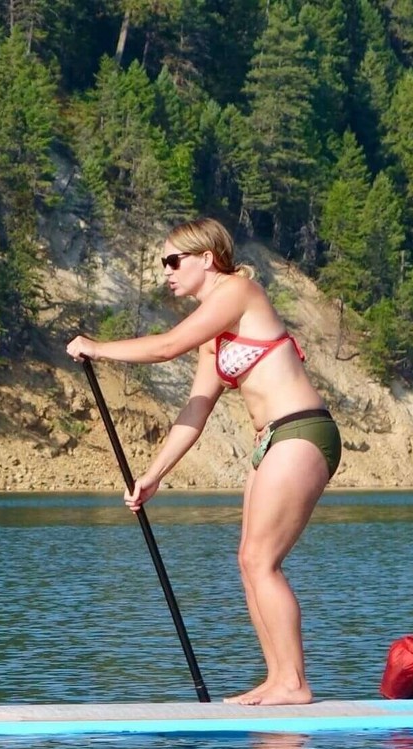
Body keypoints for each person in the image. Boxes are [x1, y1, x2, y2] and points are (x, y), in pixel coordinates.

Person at [67, 217, 340, 706]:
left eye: (173, 261)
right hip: (271, 440)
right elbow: (196, 410)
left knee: (262, 561)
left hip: (302, 429)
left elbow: (167, 346)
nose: (166, 272)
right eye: (163, 263)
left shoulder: (238, 291)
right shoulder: (217, 336)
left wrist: (97, 348)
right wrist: (152, 477)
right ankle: (279, 679)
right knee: (248, 562)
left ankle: (295, 683)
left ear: (206, 258)